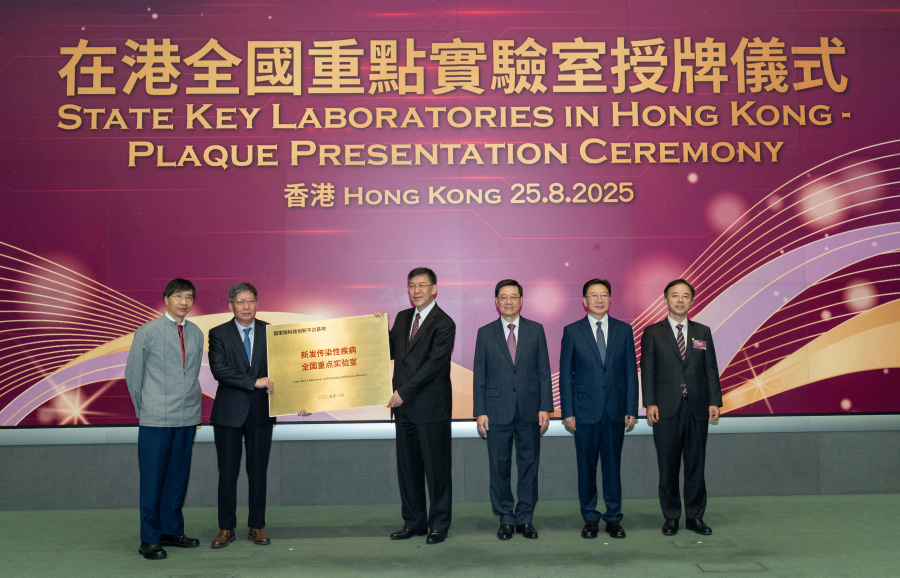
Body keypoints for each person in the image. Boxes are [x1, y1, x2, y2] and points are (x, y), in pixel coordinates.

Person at [375, 267, 456, 544]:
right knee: (408, 469)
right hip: (405, 409)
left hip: (431, 408)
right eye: (412, 285)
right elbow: (388, 351)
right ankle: (414, 522)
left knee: (436, 470)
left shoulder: (444, 323)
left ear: (434, 288)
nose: (417, 290)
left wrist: (402, 393)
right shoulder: (402, 318)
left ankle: (439, 524)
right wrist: (377, 330)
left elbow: (433, 366)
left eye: (422, 285)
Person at [125, 278, 203, 560]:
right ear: (166, 298)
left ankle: (171, 530)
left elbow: (192, 373)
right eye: (178, 296)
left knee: (177, 479)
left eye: (189, 297)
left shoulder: (196, 333)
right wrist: (146, 411)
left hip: (187, 417)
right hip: (155, 419)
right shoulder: (147, 332)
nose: (184, 302)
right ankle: (149, 538)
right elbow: (133, 376)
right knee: (153, 480)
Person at [641, 279, 722, 536]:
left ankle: (695, 517)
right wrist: (650, 403)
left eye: (685, 296)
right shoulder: (653, 332)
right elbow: (648, 370)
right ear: (666, 299)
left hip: (697, 408)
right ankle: (672, 517)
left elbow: (710, 369)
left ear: (692, 301)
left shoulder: (703, 332)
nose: (680, 300)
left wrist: (714, 401)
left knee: (695, 465)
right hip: (666, 409)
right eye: (675, 295)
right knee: (668, 466)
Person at [558, 278, 639, 540]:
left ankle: (614, 517)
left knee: (613, 466)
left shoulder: (624, 330)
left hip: (615, 409)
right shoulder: (572, 331)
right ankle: (590, 518)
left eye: (603, 294)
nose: (599, 299)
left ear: (610, 299)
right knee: (587, 467)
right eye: (593, 295)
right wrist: (568, 411)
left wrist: (631, 406)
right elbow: (565, 374)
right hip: (584, 411)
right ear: (584, 301)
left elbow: (630, 371)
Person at [472, 279, 552, 540]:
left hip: (530, 409)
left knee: (529, 465)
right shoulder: (485, 333)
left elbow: (543, 371)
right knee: (499, 466)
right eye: (504, 297)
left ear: (521, 300)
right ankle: (506, 517)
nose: (509, 301)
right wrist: (480, 411)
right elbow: (480, 375)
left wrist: (545, 406)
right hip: (496, 410)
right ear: (496, 301)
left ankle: (525, 517)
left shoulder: (536, 330)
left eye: (514, 296)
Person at [207, 283, 277, 549]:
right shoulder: (218, 333)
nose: (246, 306)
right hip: (229, 412)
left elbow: (285, 369)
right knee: (227, 472)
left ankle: (257, 526)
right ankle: (226, 528)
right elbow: (219, 369)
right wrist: (254, 382)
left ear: (257, 303)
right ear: (231, 305)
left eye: (250, 301)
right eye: (240, 301)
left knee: (258, 471)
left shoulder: (271, 332)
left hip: (261, 412)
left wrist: (299, 398)